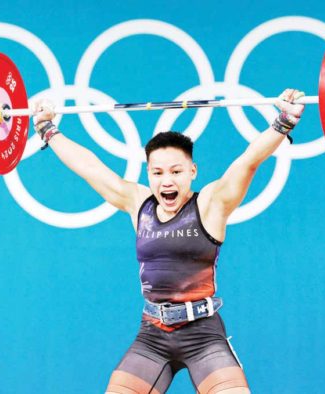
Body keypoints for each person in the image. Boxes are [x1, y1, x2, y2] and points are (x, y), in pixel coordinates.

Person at [31, 89, 305, 394]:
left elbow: (249, 161)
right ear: (148, 173)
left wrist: (284, 120)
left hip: (203, 335)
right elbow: (90, 168)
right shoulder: (138, 203)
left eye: (176, 171)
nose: (167, 181)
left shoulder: (211, 204)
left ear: (192, 171)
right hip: (152, 336)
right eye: (158, 172)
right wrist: (47, 129)